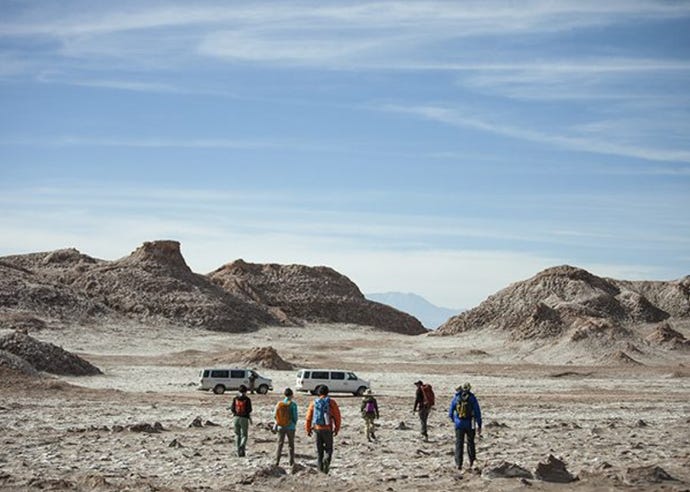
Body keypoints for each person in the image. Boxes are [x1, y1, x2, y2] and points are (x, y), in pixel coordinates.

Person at [305, 385, 342, 474]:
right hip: (328, 428)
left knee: (319, 451)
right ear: (327, 392)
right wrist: (337, 428)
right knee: (329, 449)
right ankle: (326, 464)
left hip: (317, 428)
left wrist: (308, 429)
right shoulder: (332, 402)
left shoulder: (314, 403)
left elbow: (308, 418)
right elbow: (337, 417)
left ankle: (320, 470)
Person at [448, 382, 482, 471]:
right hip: (470, 424)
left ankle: (459, 464)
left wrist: (455, 421)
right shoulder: (472, 398)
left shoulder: (456, 398)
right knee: (470, 443)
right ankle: (472, 462)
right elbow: (477, 412)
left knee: (459, 444)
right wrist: (479, 425)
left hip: (459, 424)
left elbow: (450, 413)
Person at [274, 387, 299, 467]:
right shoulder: (293, 404)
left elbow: (275, 415)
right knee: (291, 445)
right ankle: (291, 462)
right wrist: (294, 423)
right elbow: (295, 416)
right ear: (291, 395)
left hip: (281, 426)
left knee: (279, 444)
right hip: (290, 427)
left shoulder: (279, 404)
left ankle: (277, 461)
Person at [230, 384, 252, 457]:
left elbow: (232, 409)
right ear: (246, 391)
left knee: (237, 434)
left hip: (236, 418)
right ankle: (242, 446)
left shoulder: (235, 398)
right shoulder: (247, 399)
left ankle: (238, 449)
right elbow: (249, 410)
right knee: (244, 435)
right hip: (244, 418)